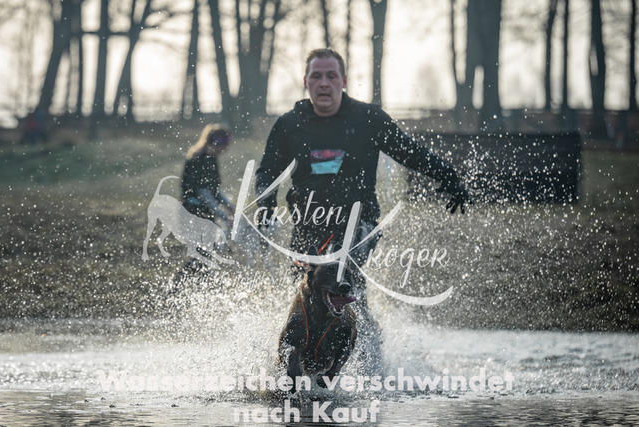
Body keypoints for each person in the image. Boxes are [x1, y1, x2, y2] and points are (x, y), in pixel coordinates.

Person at [255, 48, 469, 372]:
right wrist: (266, 204)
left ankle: (371, 367)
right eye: (316, 76)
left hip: (359, 224)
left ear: (343, 81)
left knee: (341, 276)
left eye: (331, 76)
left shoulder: (368, 119)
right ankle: (295, 366)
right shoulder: (289, 124)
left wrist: (448, 175)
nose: (324, 83)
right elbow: (267, 172)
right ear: (305, 82)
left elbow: (409, 151)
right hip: (308, 227)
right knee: (309, 296)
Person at [181, 124, 235, 229]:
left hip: (206, 208)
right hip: (193, 209)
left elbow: (214, 189)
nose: (226, 148)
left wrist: (229, 206)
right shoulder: (197, 159)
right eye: (226, 144)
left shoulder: (212, 158)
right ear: (217, 142)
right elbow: (202, 192)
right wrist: (223, 216)